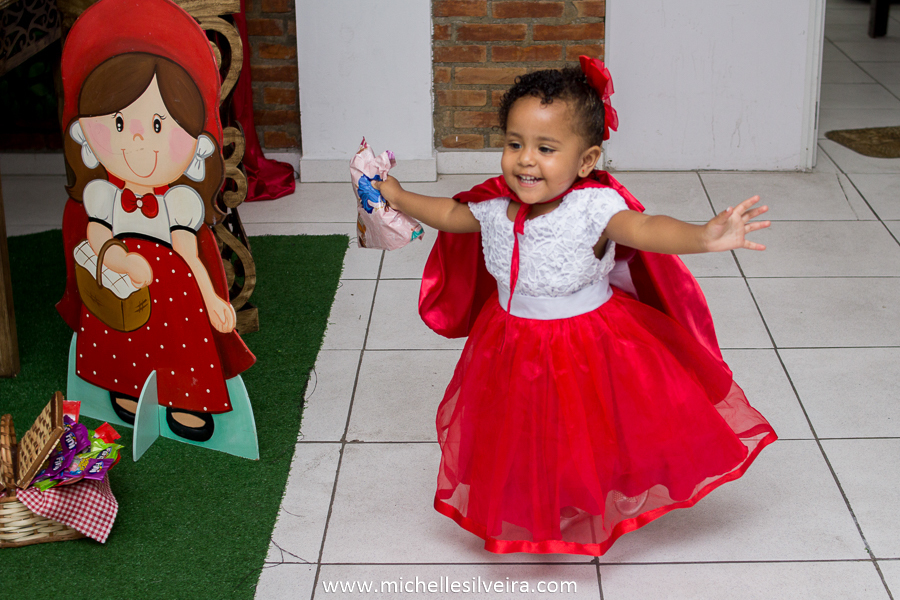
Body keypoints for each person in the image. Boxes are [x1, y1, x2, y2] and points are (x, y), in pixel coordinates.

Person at [373, 57, 777, 556]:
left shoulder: (593, 208)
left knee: (589, 429)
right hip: (509, 341)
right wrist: (398, 194)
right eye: (514, 144)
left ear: (585, 161)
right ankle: (539, 502)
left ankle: (591, 498)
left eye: (546, 149)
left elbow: (646, 229)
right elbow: (451, 215)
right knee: (521, 431)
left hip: (586, 343)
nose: (525, 161)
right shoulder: (494, 204)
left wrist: (702, 236)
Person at [57, 0, 255, 443]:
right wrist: (118, 260)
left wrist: (211, 297)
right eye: (120, 122)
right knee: (122, 337)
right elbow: (96, 230)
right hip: (122, 279)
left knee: (183, 345)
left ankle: (187, 400)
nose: (139, 141)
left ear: (195, 142)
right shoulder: (104, 193)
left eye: (161, 125)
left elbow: (188, 250)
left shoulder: (179, 202)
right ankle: (126, 390)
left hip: (174, 287)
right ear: (86, 132)